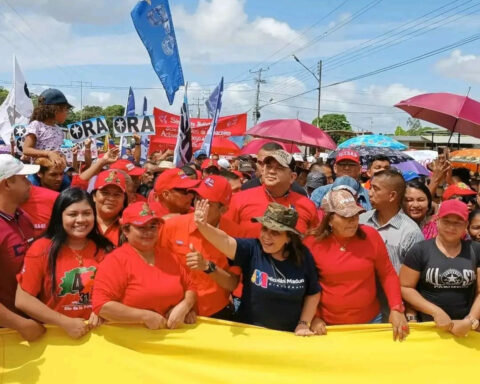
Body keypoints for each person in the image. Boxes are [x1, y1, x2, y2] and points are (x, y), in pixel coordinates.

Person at [194, 200, 320, 335]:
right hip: (251, 335)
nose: (266, 237)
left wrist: (303, 324)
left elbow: (313, 293)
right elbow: (226, 241)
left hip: (288, 336)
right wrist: (203, 226)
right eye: (264, 229)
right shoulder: (252, 249)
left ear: (288, 238)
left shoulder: (303, 256)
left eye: (275, 233)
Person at [304, 190, 408, 341]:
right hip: (327, 326)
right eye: (346, 216)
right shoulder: (312, 243)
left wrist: (396, 308)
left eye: (355, 215)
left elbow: (387, 274)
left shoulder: (370, 236)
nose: (353, 221)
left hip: (370, 321)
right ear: (329, 219)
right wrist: (313, 317)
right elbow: (307, 285)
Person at [16, 188, 113, 339]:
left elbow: (117, 291)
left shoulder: (105, 248)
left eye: (87, 213)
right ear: (59, 216)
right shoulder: (41, 249)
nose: (81, 220)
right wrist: (64, 323)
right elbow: (23, 300)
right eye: (72, 214)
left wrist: (104, 309)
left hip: (99, 339)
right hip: (56, 338)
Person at [92, 202, 196, 329]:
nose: (148, 232)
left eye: (153, 227)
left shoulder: (169, 256)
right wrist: (144, 316)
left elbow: (190, 286)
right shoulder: (115, 261)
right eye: (141, 227)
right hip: (133, 342)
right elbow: (101, 305)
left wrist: (185, 306)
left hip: (170, 339)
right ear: (126, 230)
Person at [160, 175, 241, 319]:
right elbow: (158, 270)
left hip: (216, 314)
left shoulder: (235, 235)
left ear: (223, 210)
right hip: (176, 311)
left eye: (207, 202)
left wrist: (208, 267)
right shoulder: (171, 226)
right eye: (197, 198)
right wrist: (183, 305)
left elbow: (232, 284)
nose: (199, 205)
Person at [400, 200, 480, 337]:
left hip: (466, 329)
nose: (451, 227)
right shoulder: (420, 250)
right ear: (437, 221)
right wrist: (435, 312)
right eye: (446, 221)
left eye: (457, 223)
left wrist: (470, 320)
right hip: (429, 328)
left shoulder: (476, 250)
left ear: (466, 225)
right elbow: (405, 287)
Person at [0, 155, 45, 341]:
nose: (30, 183)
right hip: (8, 331)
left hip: (31, 319)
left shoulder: (22, 215)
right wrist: (20, 324)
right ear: (7, 184)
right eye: (23, 178)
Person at [224, 150, 319, 237]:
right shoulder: (239, 199)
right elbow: (225, 239)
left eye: (279, 168)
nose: (272, 171)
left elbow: (313, 243)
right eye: (269, 166)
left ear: (292, 177)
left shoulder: (307, 205)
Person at [360, 169, 424, 273]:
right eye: (370, 188)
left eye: (375, 189)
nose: (370, 193)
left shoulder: (411, 233)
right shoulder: (361, 220)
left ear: (392, 196)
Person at [22, 88, 73, 166]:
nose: (67, 113)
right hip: (39, 172)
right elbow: (26, 149)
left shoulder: (59, 130)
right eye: (66, 110)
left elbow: (57, 151)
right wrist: (48, 154)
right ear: (55, 110)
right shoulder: (36, 125)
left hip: (55, 172)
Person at [241, 142, 308, 196]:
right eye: (260, 163)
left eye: (279, 167)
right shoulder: (245, 189)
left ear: (292, 177)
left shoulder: (299, 194)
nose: (269, 170)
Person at [92, 169, 128, 246]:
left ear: (124, 199)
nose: (111, 199)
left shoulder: (129, 227)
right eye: (105, 193)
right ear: (94, 196)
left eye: (117, 194)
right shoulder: (83, 223)